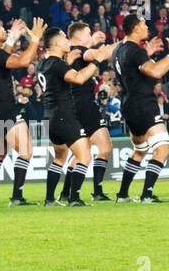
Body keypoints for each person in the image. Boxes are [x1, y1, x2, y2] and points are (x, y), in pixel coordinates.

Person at [35, 26, 114, 206]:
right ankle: (74, 198)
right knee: (84, 155)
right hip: (64, 116)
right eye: (64, 38)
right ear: (56, 43)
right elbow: (78, 78)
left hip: (49, 117)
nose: (67, 42)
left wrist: (67, 63)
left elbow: (56, 78)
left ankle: (49, 199)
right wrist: (97, 61)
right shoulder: (58, 63)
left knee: (60, 157)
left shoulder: (43, 63)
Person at [112, 14, 169, 202]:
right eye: (144, 25)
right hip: (143, 104)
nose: (147, 28)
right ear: (136, 28)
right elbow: (155, 71)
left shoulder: (119, 49)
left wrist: (147, 54)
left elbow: (135, 69)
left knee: (140, 150)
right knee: (163, 147)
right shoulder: (134, 51)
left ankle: (122, 195)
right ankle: (147, 194)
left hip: (128, 105)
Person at [0, 17, 46, 206]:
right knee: (26, 151)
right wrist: (36, 40)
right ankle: (17, 197)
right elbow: (23, 62)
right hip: (4, 108)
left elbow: (3, 54)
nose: (4, 29)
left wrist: (13, 37)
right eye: (0, 28)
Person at [66, 22, 115, 201]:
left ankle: (66, 192)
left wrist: (93, 40)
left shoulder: (71, 50)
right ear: (79, 36)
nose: (91, 35)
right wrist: (123, 42)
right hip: (85, 104)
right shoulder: (80, 50)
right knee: (105, 146)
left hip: (75, 104)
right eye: (88, 33)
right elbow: (96, 54)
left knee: (81, 151)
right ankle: (97, 191)